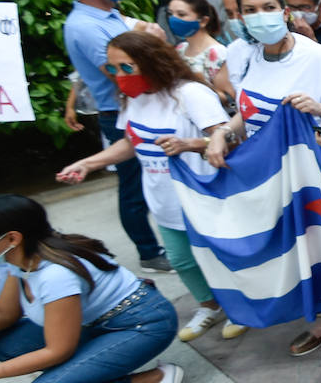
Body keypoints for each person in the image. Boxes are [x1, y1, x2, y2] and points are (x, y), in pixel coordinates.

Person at [203, 0, 321, 355]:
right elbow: (249, 111)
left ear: (284, 11)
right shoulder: (245, 56)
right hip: (270, 173)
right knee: (296, 246)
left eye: (268, 7)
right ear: (240, 18)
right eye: (250, 11)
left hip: (317, 169)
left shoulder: (317, 58)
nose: (260, 16)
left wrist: (320, 109)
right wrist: (222, 132)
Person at [55, 30, 242, 341]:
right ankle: (209, 306)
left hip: (204, 195)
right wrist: (88, 163)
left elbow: (231, 139)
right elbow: (131, 142)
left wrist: (190, 144)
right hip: (163, 200)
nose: (119, 75)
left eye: (126, 67)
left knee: (220, 257)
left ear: (152, 61)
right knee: (182, 260)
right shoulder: (133, 98)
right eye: (113, 68)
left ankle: (240, 307)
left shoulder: (190, 94)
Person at [0, 195, 181, 383]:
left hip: (142, 325)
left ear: (12, 238)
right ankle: (87, 372)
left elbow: (57, 351)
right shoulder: (21, 260)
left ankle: (154, 379)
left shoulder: (55, 276)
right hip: (97, 324)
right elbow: (4, 314)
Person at [59, 0, 171, 274]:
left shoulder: (107, 15)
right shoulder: (85, 26)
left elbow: (140, 35)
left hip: (138, 106)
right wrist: (154, 44)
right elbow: (120, 75)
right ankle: (149, 253)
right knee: (134, 187)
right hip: (120, 113)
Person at [166, 0, 234, 106]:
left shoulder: (217, 53)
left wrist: (199, 84)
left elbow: (228, 98)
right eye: (170, 14)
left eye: (181, 14)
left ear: (203, 21)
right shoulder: (180, 48)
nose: (174, 19)